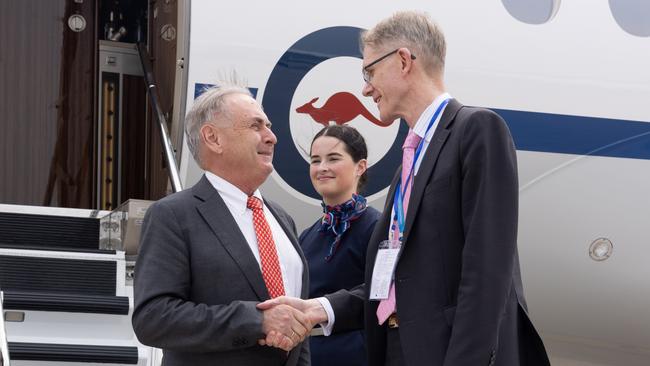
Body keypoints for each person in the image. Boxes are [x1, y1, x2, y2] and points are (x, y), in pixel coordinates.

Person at [259, 11, 551, 366]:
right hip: (400, 349)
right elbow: (394, 281)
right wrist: (318, 308)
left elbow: (487, 272)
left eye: (369, 72)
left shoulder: (475, 130)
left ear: (402, 61)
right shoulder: (410, 163)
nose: (365, 87)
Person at [132, 84, 312, 366]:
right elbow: (153, 318)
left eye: (269, 126)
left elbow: (299, 331)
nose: (272, 137)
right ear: (213, 138)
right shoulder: (173, 215)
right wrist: (256, 320)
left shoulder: (282, 219)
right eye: (256, 126)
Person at [301, 125, 380, 366]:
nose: (322, 167)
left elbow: (384, 295)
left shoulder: (378, 227)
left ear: (360, 167)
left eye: (333, 158)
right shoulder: (307, 234)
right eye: (316, 160)